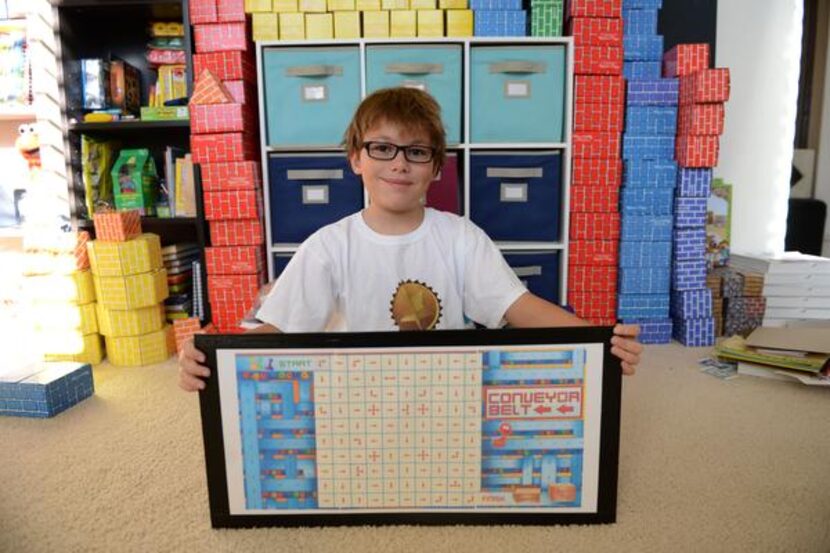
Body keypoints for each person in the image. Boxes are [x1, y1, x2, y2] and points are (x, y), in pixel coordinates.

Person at [179, 87, 642, 391]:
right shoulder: (327, 247)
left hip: (447, 395)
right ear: (355, 158)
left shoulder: (460, 237)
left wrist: (599, 339)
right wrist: (207, 357)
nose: (399, 164)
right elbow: (275, 333)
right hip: (356, 400)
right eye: (382, 148)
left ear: (436, 168)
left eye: (417, 152)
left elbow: (519, 308)